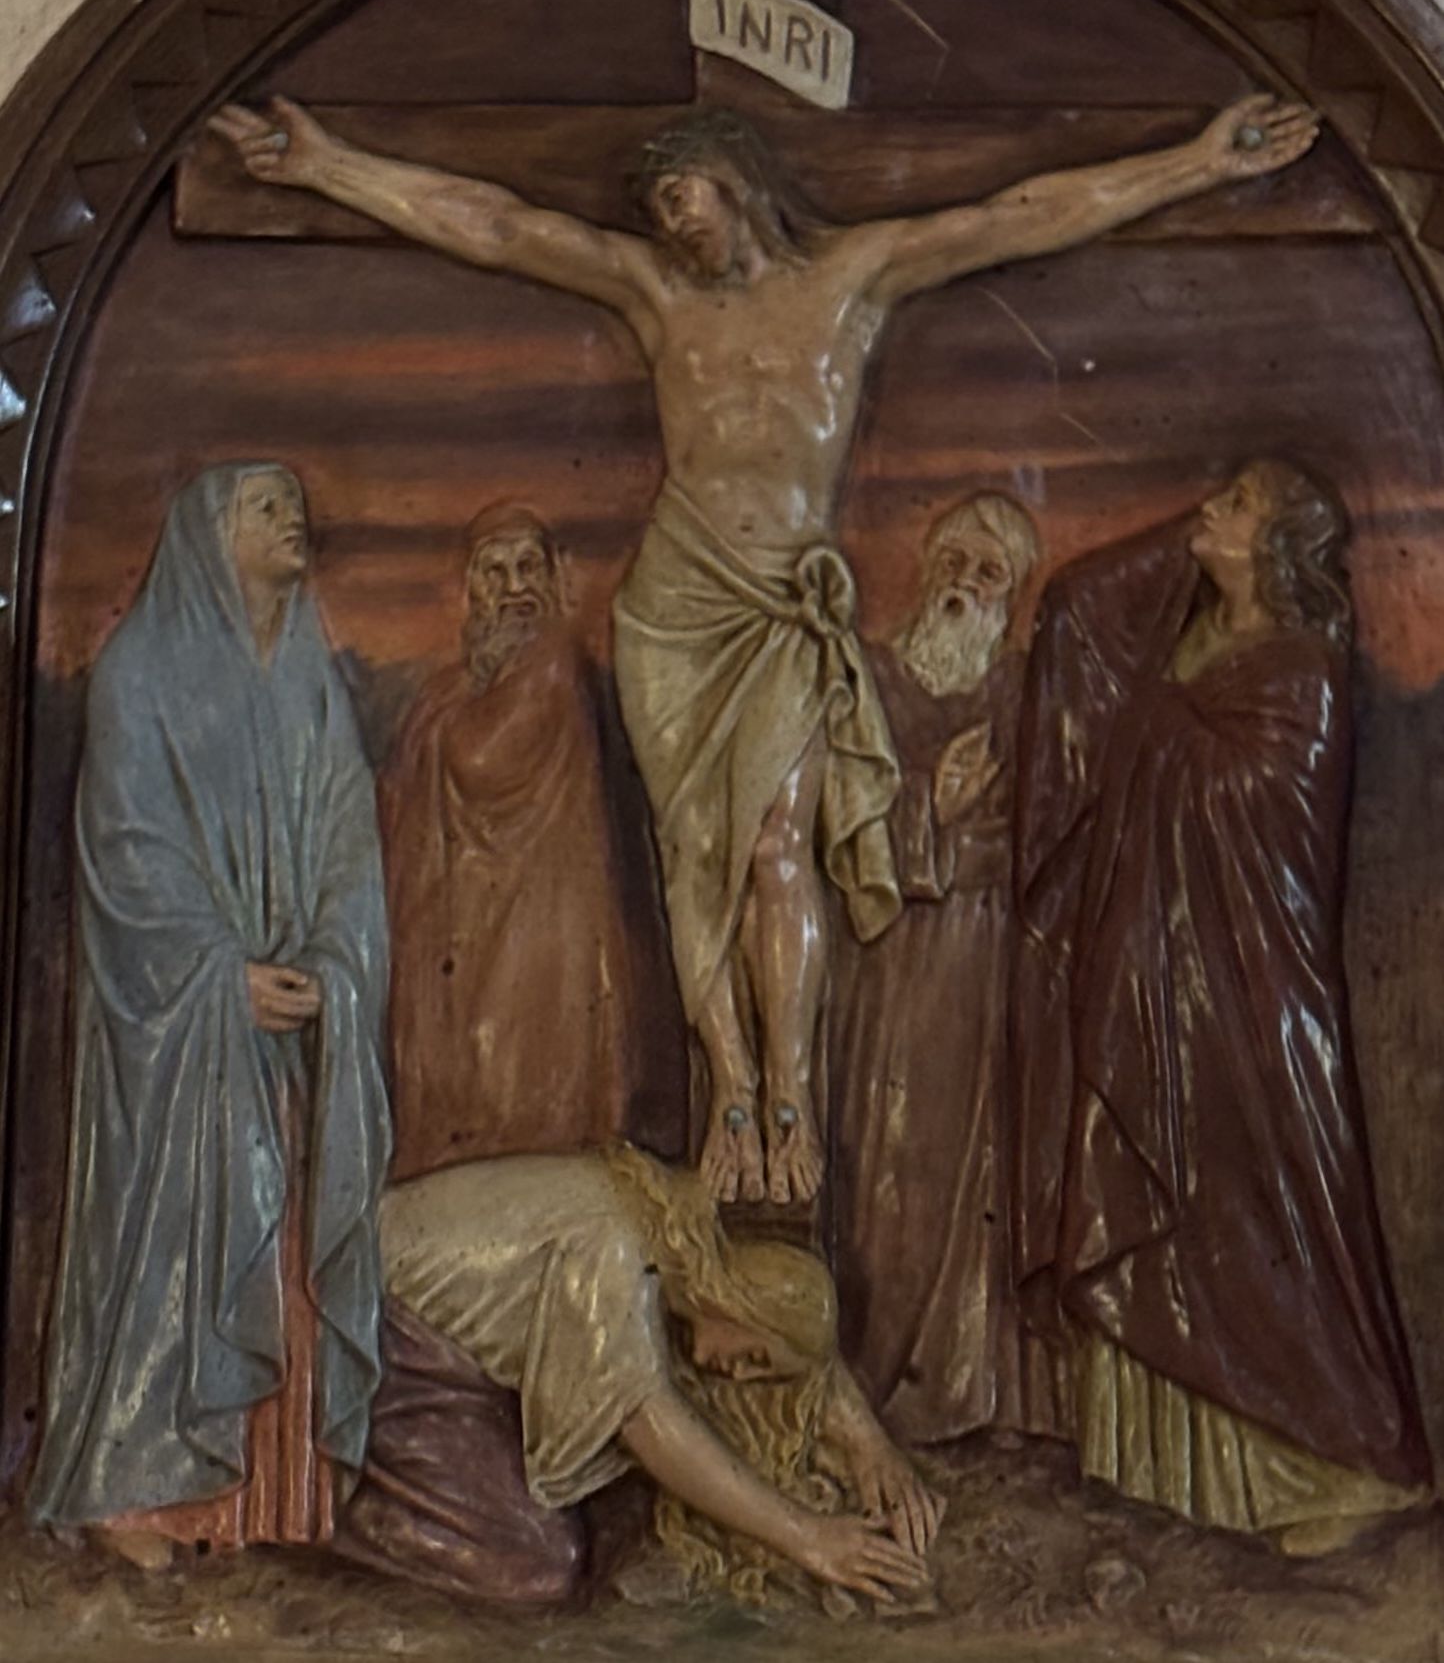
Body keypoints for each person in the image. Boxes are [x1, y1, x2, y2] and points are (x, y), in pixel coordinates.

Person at [208, 89, 1320, 1205]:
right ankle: (730, 1090)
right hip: (677, 607)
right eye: (656, 206)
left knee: (780, 842)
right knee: (696, 855)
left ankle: (789, 1087)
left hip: (784, 598)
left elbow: (1016, 216)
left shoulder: (851, 279)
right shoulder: (656, 295)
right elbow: (500, 226)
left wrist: (1196, 162)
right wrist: (327, 166)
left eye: (681, 196)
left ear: (733, 180)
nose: (671, 221)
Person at [1012, 458, 1432, 1554]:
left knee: (1273, 1200)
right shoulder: (1188, 638)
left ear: (1281, 543)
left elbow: (1262, 806)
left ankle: (1343, 1458)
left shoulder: (1301, 669)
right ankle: (1199, 1474)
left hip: (1256, 988)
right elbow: (1078, 605)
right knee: (1183, 1196)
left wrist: (1154, 728)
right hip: (1160, 973)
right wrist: (1181, 558)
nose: (1208, 508)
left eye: (1237, 502)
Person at [27, 463, 392, 1568]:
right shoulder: (138, 671)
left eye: (295, 502)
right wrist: (221, 976)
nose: (293, 518)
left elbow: (349, 841)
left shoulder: (310, 682)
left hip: (287, 1028)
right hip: (177, 1031)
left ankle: (269, 1499)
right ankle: (142, 1494)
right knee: (173, 1239)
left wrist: (332, 961)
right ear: (206, 535)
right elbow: (127, 855)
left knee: (278, 1236)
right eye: (263, 505)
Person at [355, 1144, 943, 1604]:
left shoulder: (677, 1225)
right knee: (539, 1563)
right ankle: (342, 1501)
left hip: (436, 1342)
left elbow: (794, 1327)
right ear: (741, 1304)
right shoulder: (618, 1256)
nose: (740, 1375)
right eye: (755, 1359)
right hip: (372, 1330)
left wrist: (868, 1444)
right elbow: (651, 1421)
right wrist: (809, 1538)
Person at [829, 492, 1063, 1444]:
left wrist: (962, 837)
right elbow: (834, 819)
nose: (966, 583)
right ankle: (878, 1378)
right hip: (884, 963)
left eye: (989, 571)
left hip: (983, 961)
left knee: (979, 1172)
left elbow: (1044, 832)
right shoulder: (873, 679)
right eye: (956, 560)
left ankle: (978, 1393)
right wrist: (932, 806)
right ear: (927, 566)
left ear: (1013, 593)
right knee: (885, 1165)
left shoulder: (1021, 690)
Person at [379, 501, 644, 1178]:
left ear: (556, 577)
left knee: (524, 1088)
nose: (515, 588)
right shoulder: (460, 687)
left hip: (537, 926)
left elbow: (483, 757)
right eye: (495, 572)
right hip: (460, 924)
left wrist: (440, 723)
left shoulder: (551, 665)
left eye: (529, 567)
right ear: (469, 588)